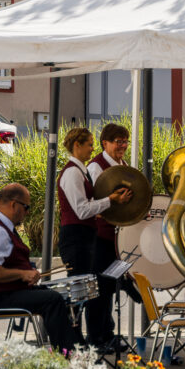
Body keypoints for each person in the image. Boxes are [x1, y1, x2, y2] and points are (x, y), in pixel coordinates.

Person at [0, 184, 82, 350]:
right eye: (26, 207)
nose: (27, 212)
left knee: (51, 294)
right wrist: (22, 274)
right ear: (14, 204)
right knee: (53, 300)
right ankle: (67, 354)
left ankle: (69, 349)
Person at [58, 127, 131, 349]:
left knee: (91, 288)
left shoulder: (80, 171)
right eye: (89, 144)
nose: (92, 149)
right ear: (77, 146)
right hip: (77, 238)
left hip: (85, 237)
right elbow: (81, 210)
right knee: (83, 291)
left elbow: (86, 206)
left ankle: (91, 337)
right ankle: (82, 339)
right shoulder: (72, 172)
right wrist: (109, 201)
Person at [86, 123, 141, 345]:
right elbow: (93, 203)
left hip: (118, 237)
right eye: (118, 142)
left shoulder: (123, 165)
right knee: (99, 289)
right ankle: (96, 336)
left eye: (125, 141)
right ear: (105, 143)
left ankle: (107, 333)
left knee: (107, 288)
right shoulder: (95, 167)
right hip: (102, 237)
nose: (123, 146)